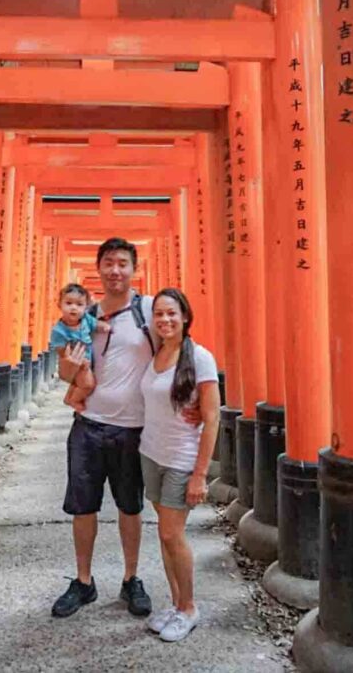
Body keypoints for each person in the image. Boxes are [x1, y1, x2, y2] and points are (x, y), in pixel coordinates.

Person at [51, 237, 157, 619]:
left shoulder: (148, 312)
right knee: (84, 508)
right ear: (98, 269)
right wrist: (74, 365)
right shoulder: (84, 317)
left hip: (133, 429)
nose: (115, 270)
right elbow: (64, 372)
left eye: (122, 263)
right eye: (109, 263)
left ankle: (131, 579)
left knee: (130, 507)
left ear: (134, 268)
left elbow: (175, 353)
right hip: (89, 426)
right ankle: (83, 581)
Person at [138, 288, 220, 642]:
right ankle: (174, 603)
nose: (165, 320)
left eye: (172, 313)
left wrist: (200, 474)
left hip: (181, 459)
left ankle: (188, 607)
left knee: (173, 534)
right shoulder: (157, 353)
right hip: (151, 454)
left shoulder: (200, 358)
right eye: (158, 314)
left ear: (185, 316)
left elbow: (212, 417)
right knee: (164, 532)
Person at [49, 283, 110, 412]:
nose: (74, 308)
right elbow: (61, 351)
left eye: (79, 304)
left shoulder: (86, 320)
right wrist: (70, 359)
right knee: (88, 385)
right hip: (78, 362)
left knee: (79, 383)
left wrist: (103, 326)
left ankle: (68, 397)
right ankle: (74, 400)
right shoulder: (59, 330)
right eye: (69, 303)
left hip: (87, 360)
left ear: (86, 307)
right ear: (59, 304)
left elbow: (95, 324)